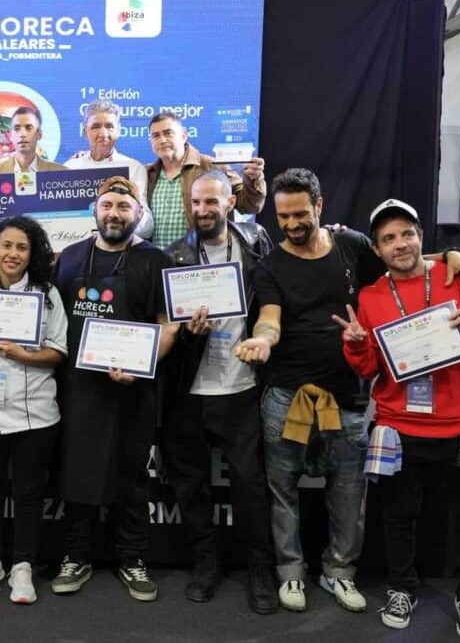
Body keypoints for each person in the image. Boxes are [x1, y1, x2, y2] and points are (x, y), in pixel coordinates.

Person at [244, 168, 460, 614]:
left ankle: (339, 572)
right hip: (286, 397)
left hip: (347, 397)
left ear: (319, 206)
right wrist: (262, 338)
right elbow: (269, 317)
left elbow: (402, 259)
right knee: (283, 490)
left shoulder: (350, 245)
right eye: (283, 216)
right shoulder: (270, 265)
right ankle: (290, 572)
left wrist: (451, 255)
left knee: (349, 492)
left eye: (300, 214)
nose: (291, 224)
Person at [337, 199, 460, 641]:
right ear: (377, 249)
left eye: (407, 234)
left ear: (420, 237)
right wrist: (356, 344)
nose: (400, 244)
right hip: (400, 425)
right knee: (399, 518)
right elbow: (368, 368)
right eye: (388, 238)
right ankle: (402, 589)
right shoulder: (371, 297)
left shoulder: (459, 277)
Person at [50, 175, 178, 602]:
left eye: (124, 207)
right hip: (78, 389)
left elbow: (168, 326)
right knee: (76, 474)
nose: (114, 213)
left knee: (132, 477)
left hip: (133, 389)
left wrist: (142, 366)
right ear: (95, 210)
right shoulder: (69, 257)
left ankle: (132, 558)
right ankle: (77, 555)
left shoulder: (156, 260)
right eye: (107, 205)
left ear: (139, 213)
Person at [161, 170, 278, 614]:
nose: (203, 210)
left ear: (230, 203)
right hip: (189, 389)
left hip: (240, 385)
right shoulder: (173, 255)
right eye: (196, 203)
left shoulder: (256, 244)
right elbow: (165, 326)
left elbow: (273, 299)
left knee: (249, 485)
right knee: (191, 485)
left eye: (211, 202)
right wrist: (188, 335)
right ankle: (205, 564)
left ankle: (260, 570)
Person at [0, 215, 68, 605]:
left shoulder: (48, 294)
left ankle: (23, 566)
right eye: (6, 245)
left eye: (22, 247)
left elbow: (58, 352)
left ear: (32, 254)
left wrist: (22, 354)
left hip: (33, 412)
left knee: (28, 494)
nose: (13, 254)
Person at [145, 111, 266, 248]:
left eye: (168, 133)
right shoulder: (147, 174)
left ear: (184, 136)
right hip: (157, 258)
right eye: (156, 136)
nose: (162, 140)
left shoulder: (212, 167)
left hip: (202, 256)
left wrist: (254, 179)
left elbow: (250, 206)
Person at [64, 99, 155, 239]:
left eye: (109, 126)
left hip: (121, 248)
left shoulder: (133, 168)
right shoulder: (70, 167)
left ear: (118, 131)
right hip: (76, 245)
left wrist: (120, 223)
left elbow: (146, 229)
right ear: (85, 131)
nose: (103, 133)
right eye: (95, 126)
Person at [0, 106, 65, 176]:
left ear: (39, 134)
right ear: (11, 135)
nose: (22, 134)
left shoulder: (61, 172)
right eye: (17, 128)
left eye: (29, 128)